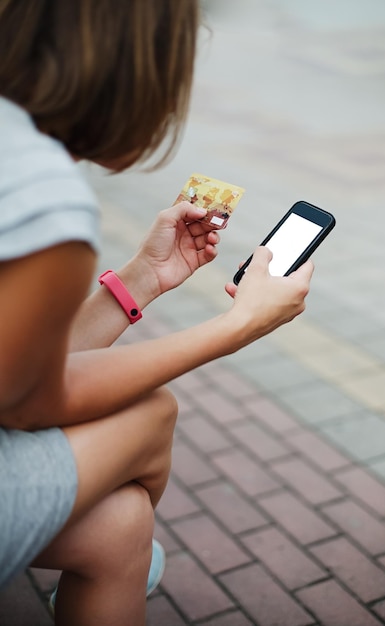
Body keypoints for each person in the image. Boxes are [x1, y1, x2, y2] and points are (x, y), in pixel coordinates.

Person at [0, 1, 314, 625]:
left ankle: (126, 564)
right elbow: (29, 402)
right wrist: (237, 326)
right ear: (139, 68)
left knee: (122, 527)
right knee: (152, 412)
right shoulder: (38, 193)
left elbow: (12, 373)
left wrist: (142, 280)